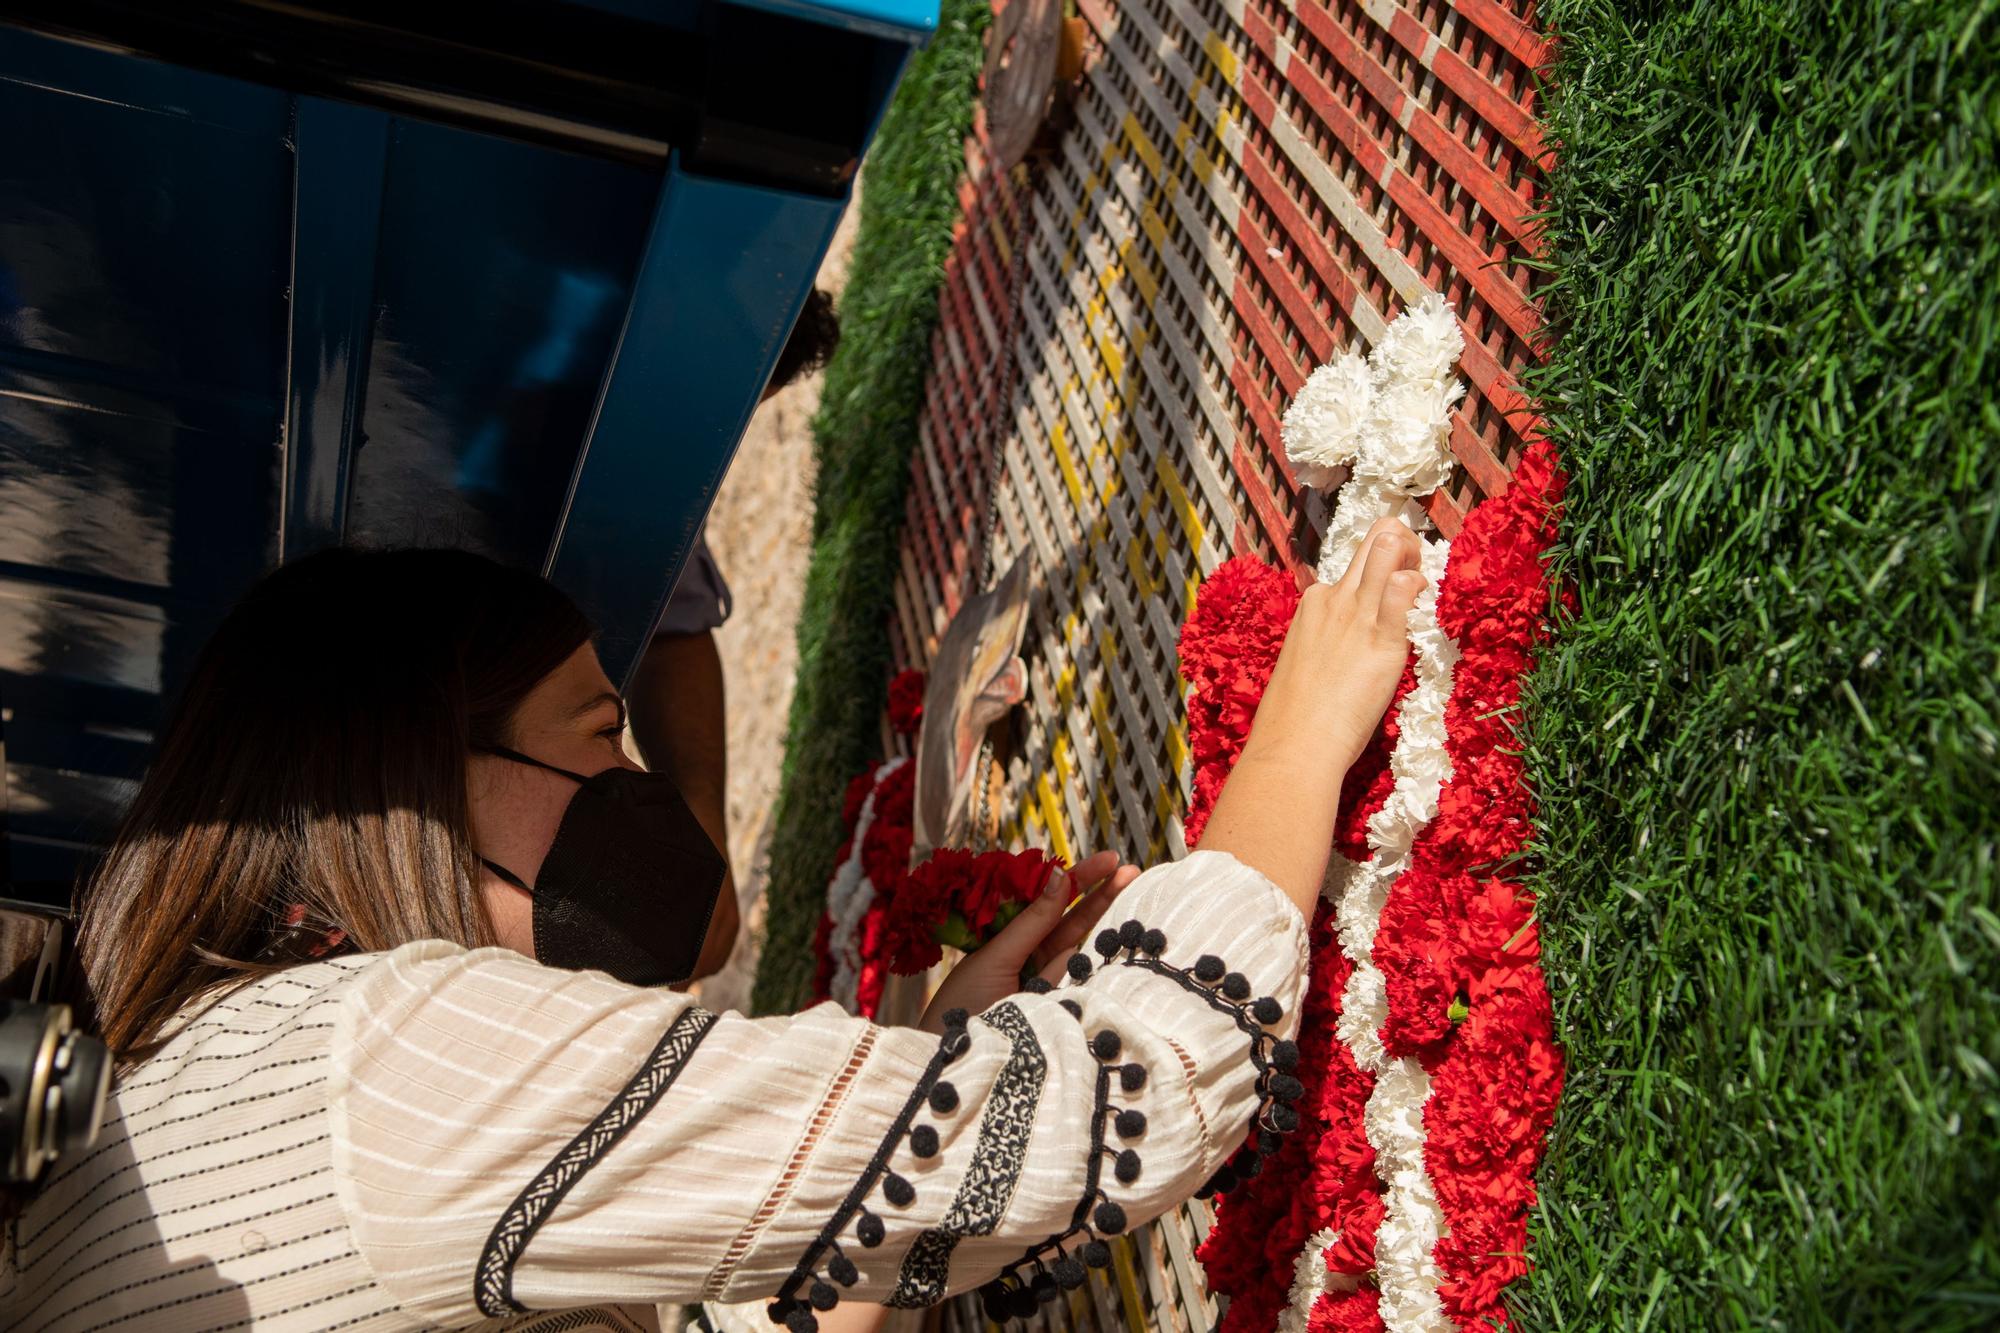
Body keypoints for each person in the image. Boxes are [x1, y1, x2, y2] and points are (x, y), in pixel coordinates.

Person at [0, 514, 1426, 1332]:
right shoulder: (391, 1064)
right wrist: (1302, 729)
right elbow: (1121, 1105)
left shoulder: (202, 1055)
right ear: (425, 787)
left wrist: (920, 1070)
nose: (634, 789)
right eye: (597, 736)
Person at [630, 288, 843, 983]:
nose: (709, 444)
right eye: (713, 411)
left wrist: (702, 838)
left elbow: (671, 621)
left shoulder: (647, 489)